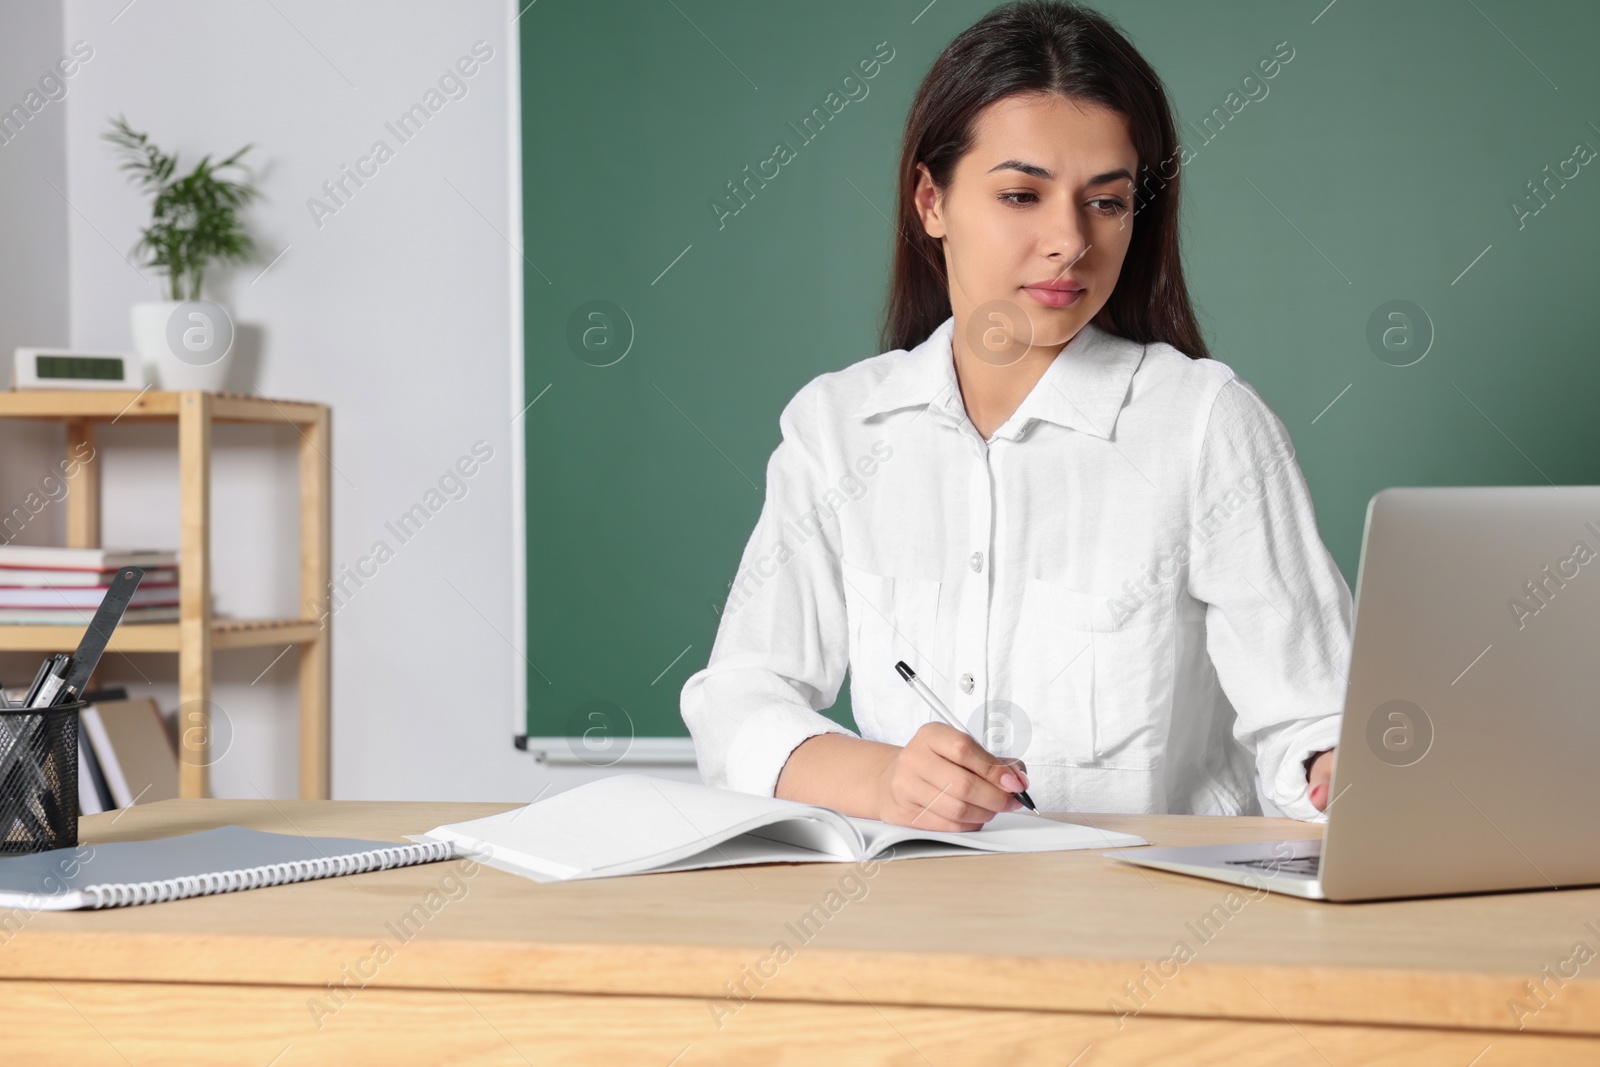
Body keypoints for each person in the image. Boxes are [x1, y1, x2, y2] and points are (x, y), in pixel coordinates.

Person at [680, 0, 1347, 831]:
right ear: (931, 201)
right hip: (909, 914)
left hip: (1149, 928)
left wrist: (1332, 769)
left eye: (1106, 202)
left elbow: (1315, 721)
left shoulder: (1204, 424)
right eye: (1023, 195)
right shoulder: (840, 427)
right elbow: (740, 700)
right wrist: (886, 779)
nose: (1069, 240)